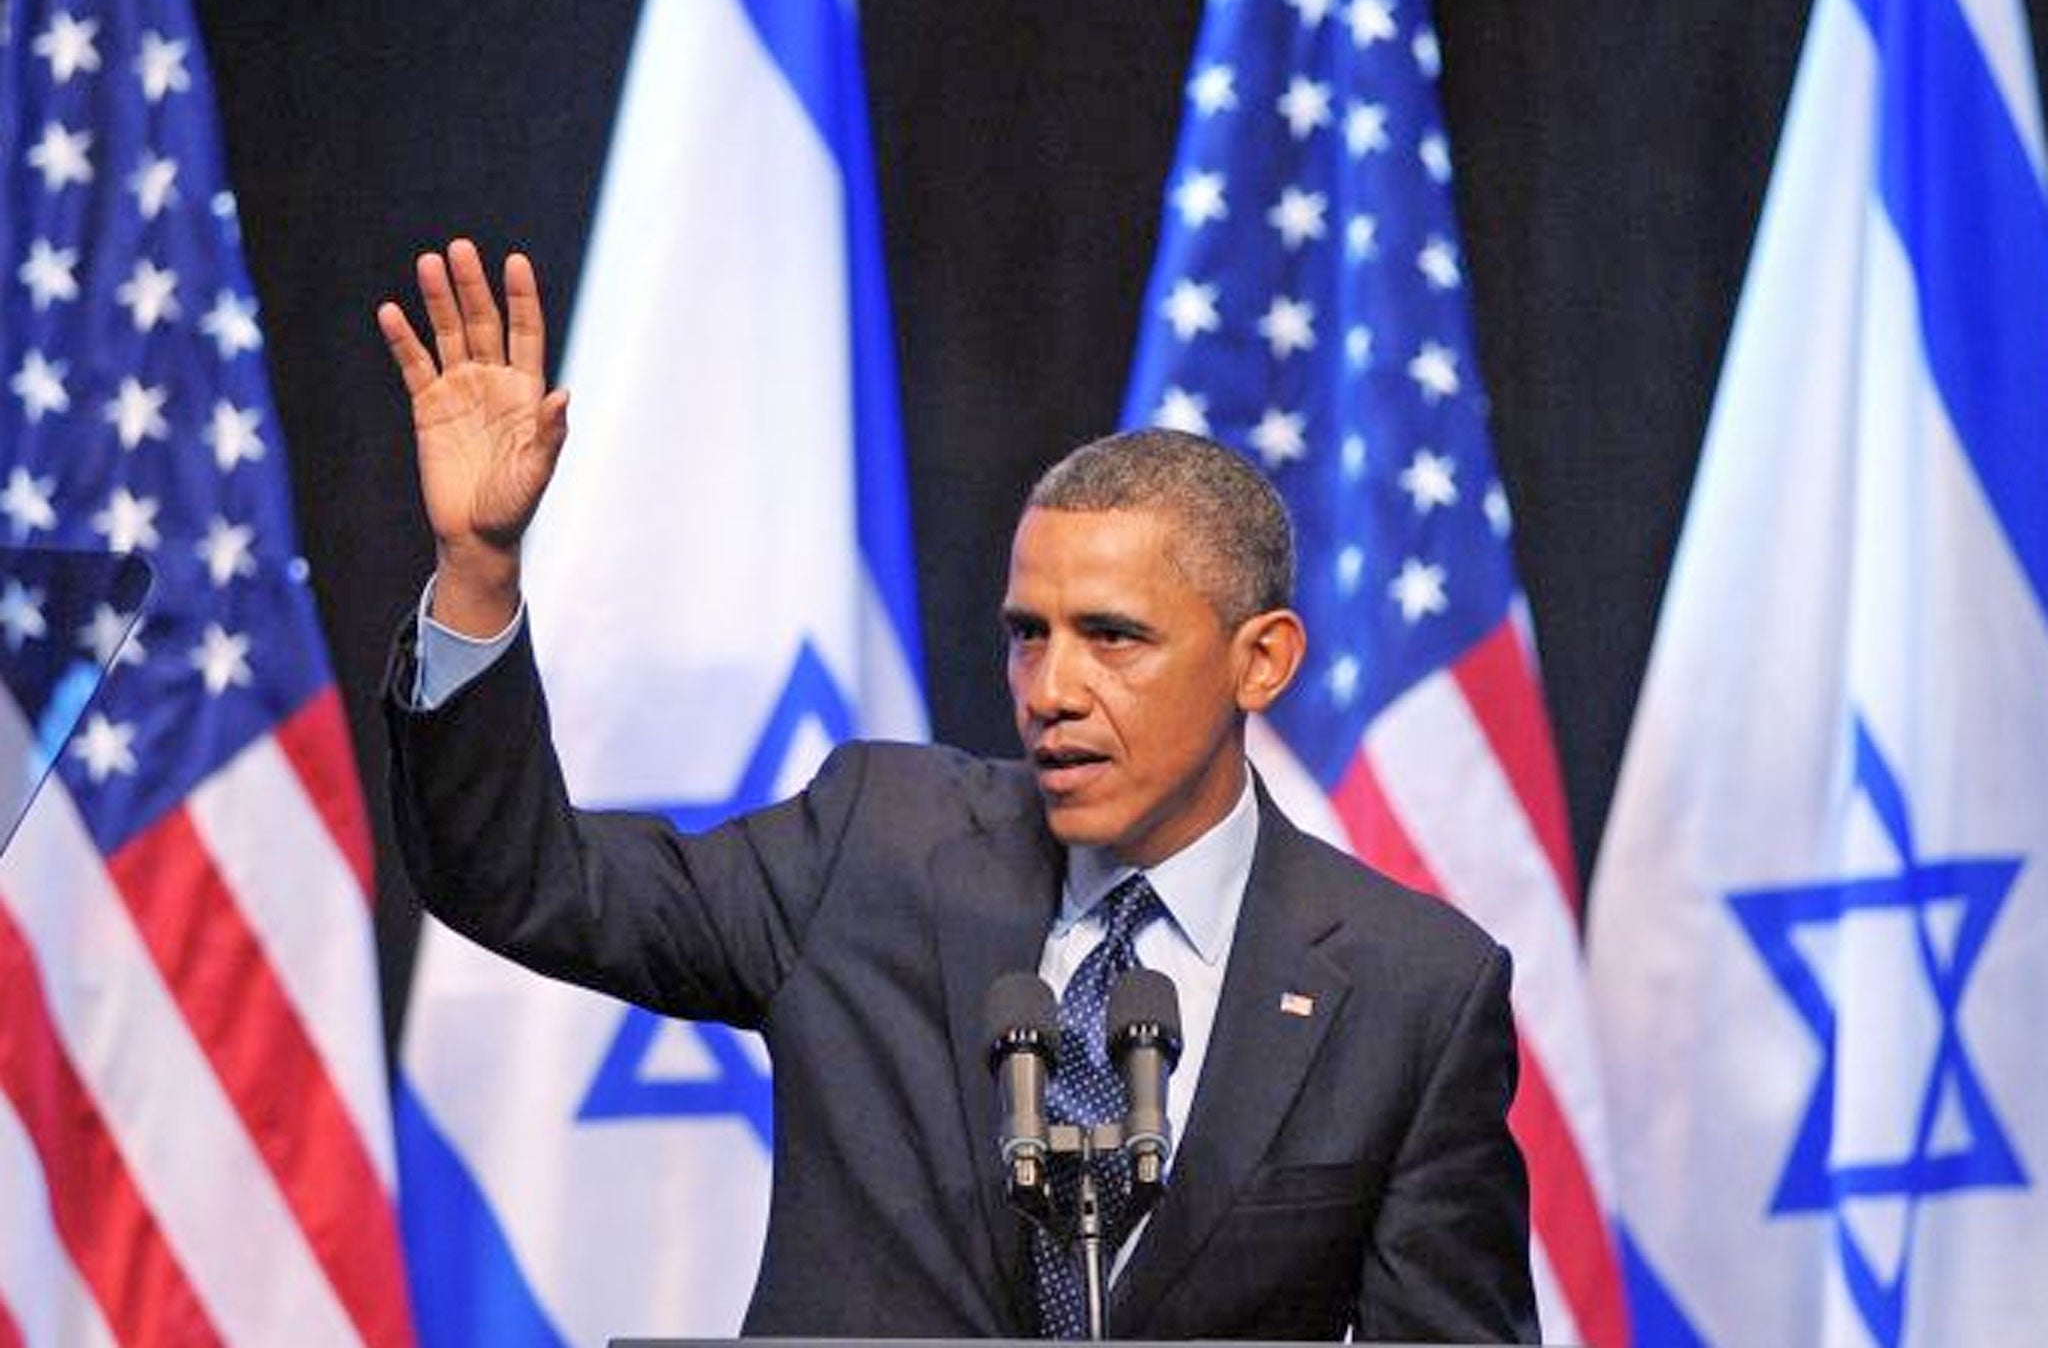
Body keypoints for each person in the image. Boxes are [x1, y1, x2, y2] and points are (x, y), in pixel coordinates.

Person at [376, 239, 1538, 1342]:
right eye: (1026, 635)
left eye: (1114, 638)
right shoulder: (871, 848)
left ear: (1261, 659)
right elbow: (523, 880)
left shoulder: (1409, 993)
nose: (1051, 688)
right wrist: (478, 575)